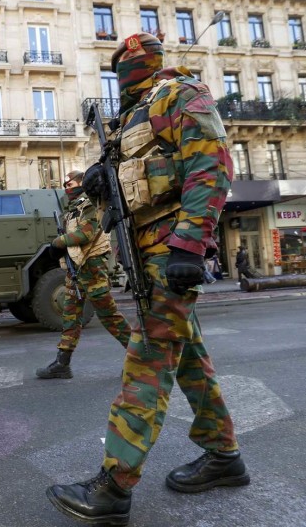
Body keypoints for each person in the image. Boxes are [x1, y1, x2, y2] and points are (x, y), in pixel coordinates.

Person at [46, 32, 248, 526]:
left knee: (149, 360)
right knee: (188, 357)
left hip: (170, 251)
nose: (124, 75)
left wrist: (190, 243)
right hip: (145, 251)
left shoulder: (180, 95)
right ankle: (224, 456)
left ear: (149, 64)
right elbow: (131, 184)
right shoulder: (128, 120)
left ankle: (114, 486)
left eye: (130, 66)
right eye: (119, 68)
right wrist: (100, 173)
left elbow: (211, 166)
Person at [36, 169, 131, 379]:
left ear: (80, 183)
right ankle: (62, 363)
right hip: (77, 268)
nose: (66, 188)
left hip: (92, 267)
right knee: (70, 315)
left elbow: (86, 234)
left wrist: (58, 242)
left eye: (69, 184)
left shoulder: (89, 204)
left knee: (109, 316)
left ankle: (140, 358)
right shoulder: (71, 211)